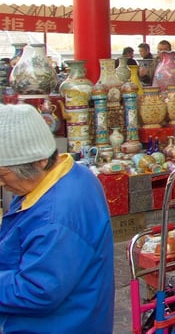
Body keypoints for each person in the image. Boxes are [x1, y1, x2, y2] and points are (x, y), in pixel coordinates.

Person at [0, 104, 114, 332]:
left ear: (39, 161)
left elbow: (37, 291)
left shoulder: (56, 217)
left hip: (59, 325)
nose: (1, 183)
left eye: (3, 174)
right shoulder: (70, 172)